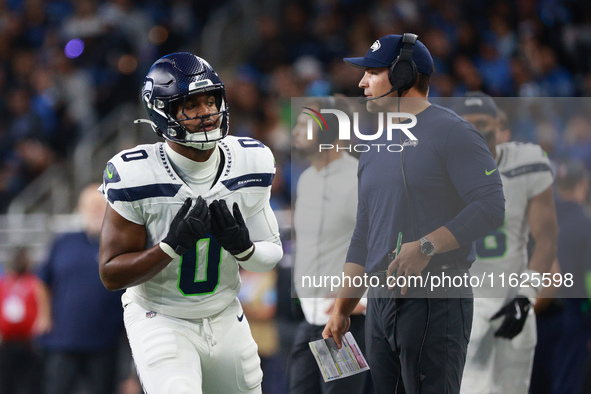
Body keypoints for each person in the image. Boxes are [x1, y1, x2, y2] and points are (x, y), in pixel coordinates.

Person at [322, 34, 505, 394]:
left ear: (403, 74)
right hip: (379, 301)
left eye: (372, 73)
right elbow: (364, 234)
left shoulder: (454, 132)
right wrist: (342, 308)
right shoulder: (374, 147)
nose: (362, 83)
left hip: (436, 296)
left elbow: (490, 206)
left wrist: (426, 247)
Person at [98, 52, 283, 394]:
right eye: (192, 105)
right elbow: (111, 273)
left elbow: (272, 253)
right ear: (163, 111)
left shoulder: (250, 161)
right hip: (160, 316)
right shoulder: (135, 172)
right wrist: (170, 247)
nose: (208, 113)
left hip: (226, 312)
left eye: (211, 101)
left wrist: (243, 248)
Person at [450, 93, 557, 394]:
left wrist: (526, 294)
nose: (475, 131)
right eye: (466, 125)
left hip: (513, 295)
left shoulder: (527, 163)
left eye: (482, 123)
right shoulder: (438, 170)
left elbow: (546, 237)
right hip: (464, 300)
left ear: (500, 126)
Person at [290, 97, 368, 394]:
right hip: (308, 320)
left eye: (304, 125)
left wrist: (366, 300)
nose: (295, 131)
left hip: (343, 325)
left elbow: (388, 242)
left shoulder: (358, 180)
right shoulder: (306, 179)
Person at [38, 184, 126, 394]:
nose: (96, 210)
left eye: (100, 205)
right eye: (90, 205)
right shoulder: (64, 241)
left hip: (105, 339)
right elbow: (42, 280)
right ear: (80, 208)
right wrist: (44, 315)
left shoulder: (119, 242)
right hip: (63, 337)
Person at [0, 247, 50, 394]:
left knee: (31, 383)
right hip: (7, 343)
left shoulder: (35, 283)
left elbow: (43, 309)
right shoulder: (5, 283)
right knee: (6, 383)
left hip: (29, 344)